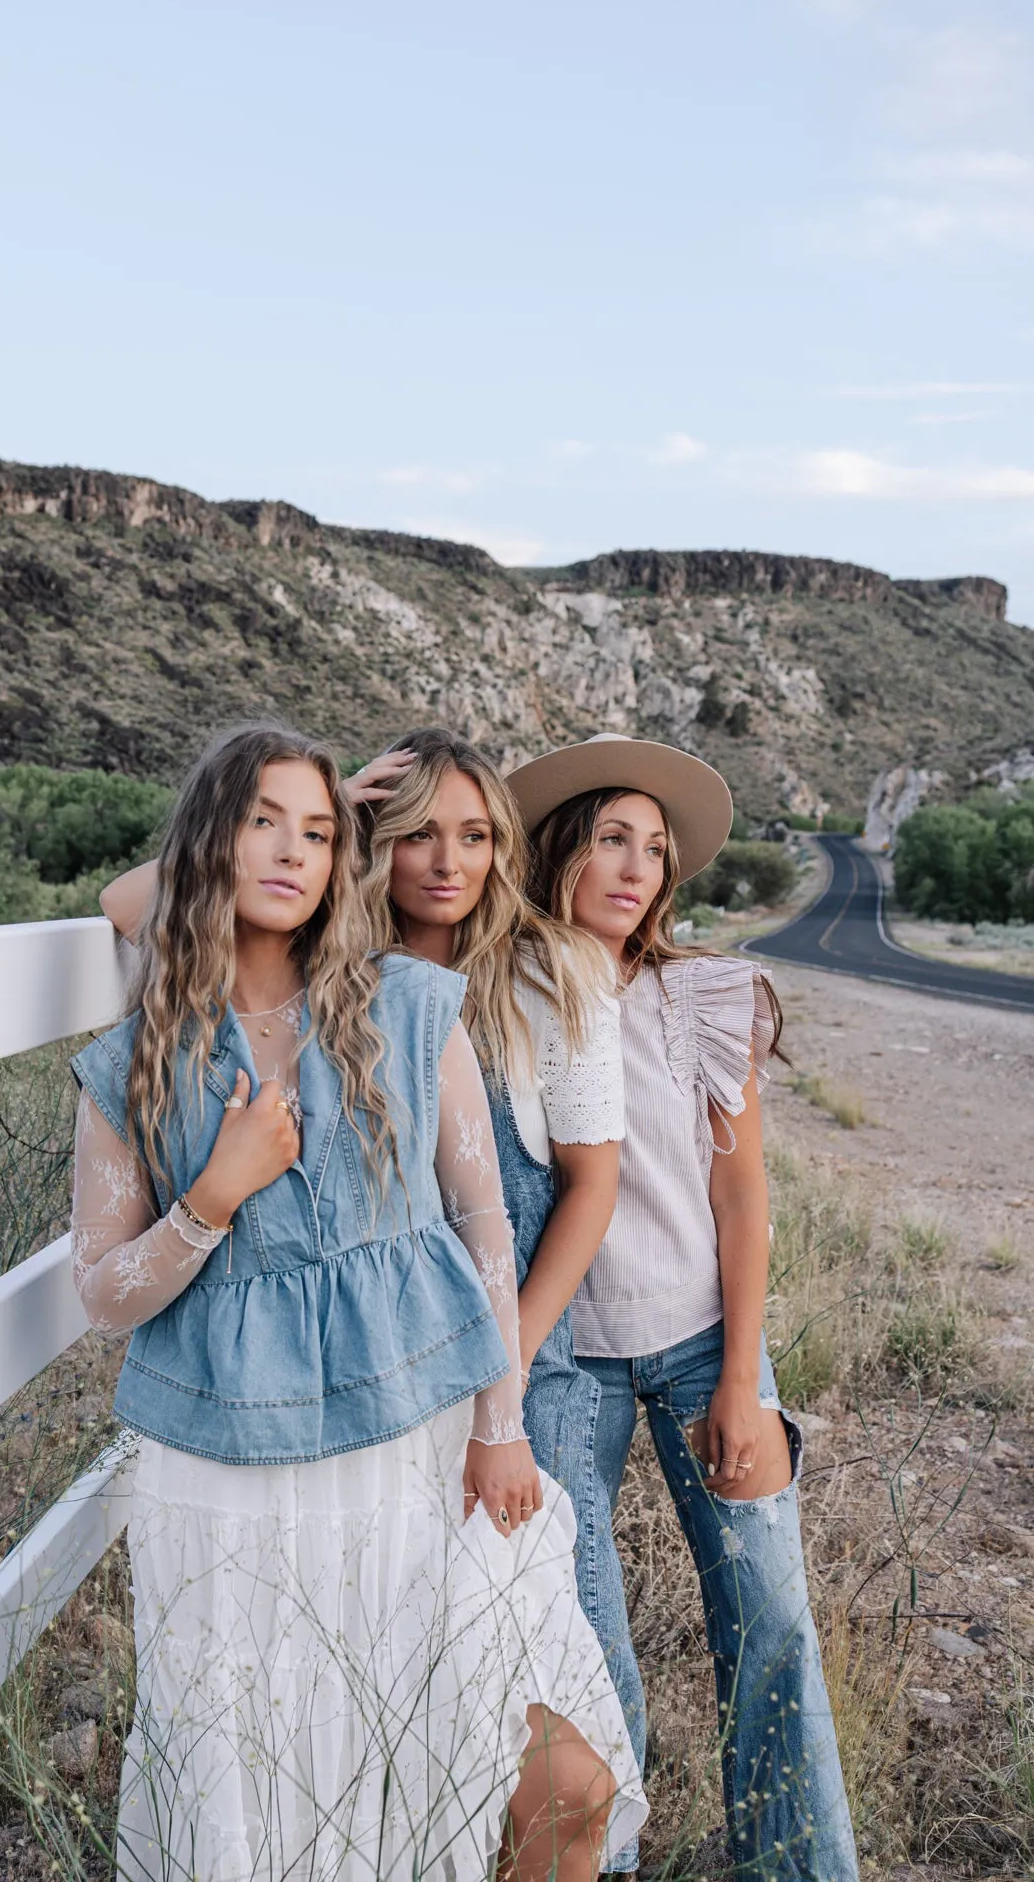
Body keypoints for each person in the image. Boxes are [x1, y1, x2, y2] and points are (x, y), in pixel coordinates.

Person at [74, 721, 646, 1881]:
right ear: (207, 842)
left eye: (321, 830)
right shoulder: (139, 1058)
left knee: (562, 1784)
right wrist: (211, 1199)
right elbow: (103, 1292)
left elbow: (484, 1224)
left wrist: (498, 1423)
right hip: (232, 1471)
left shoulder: (406, 999)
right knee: (290, 1799)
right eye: (262, 821)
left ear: (347, 860)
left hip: (427, 1441)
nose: (292, 850)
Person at [507, 731, 859, 1882]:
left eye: (653, 850)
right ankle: (602, 1860)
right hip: (563, 1359)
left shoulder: (703, 992)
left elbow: (738, 1191)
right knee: (577, 1645)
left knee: (768, 1623)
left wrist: (740, 1381)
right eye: (610, 837)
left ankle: (797, 1866)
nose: (633, 867)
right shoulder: (497, 990)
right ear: (560, 846)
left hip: (704, 1336)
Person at [342, 728, 625, 1610]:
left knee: (571, 1639)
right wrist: (333, 802)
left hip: (522, 1362)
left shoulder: (551, 969)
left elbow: (590, 1186)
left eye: (474, 835)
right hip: (378, 1366)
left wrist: (503, 1376)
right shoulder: (336, 975)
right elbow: (133, 908)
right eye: (418, 831)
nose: (447, 861)